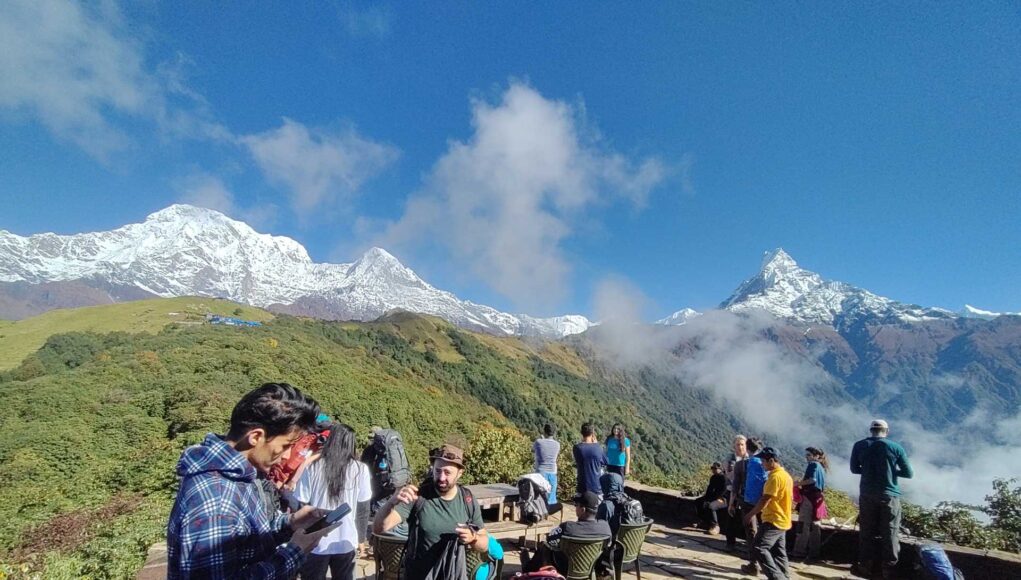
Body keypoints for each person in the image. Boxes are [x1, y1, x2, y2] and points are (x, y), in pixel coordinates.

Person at [166, 383, 334, 579]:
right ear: (256, 437)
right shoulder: (217, 500)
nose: (287, 455)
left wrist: (290, 523)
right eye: (285, 445)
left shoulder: (238, 475)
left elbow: (247, 536)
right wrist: (294, 552)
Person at [373, 443, 490, 580]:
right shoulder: (418, 496)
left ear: (460, 473)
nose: (441, 478)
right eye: (438, 471)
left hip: (451, 574)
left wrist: (473, 538)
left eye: (447, 473)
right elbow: (379, 528)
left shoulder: (467, 500)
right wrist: (391, 502)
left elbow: (484, 544)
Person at [293, 423, 372, 580]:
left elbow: (301, 503)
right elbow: (363, 508)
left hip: (315, 539)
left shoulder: (313, 467)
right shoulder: (360, 469)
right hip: (346, 539)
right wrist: (361, 539)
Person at [850, 419, 913, 580]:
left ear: (871, 430)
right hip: (889, 494)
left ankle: (865, 566)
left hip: (867, 493)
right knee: (890, 532)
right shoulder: (895, 447)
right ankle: (889, 570)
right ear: (887, 431)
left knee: (867, 531)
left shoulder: (859, 445)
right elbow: (909, 473)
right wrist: (891, 471)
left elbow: (854, 469)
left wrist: (869, 470)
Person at [521, 491, 612, 574]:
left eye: (576, 505)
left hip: (564, 568)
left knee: (544, 547)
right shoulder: (605, 527)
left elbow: (549, 540)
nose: (575, 507)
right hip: (592, 568)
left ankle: (528, 568)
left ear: (583, 510)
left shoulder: (567, 528)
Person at [741, 447, 793, 580]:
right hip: (783, 520)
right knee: (779, 553)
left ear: (771, 460)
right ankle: (785, 576)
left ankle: (778, 578)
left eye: (763, 461)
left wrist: (750, 514)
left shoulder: (775, 478)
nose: (762, 464)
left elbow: (765, 499)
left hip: (773, 520)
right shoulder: (786, 476)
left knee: (759, 548)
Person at [792, 447, 829, 560]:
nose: (807, 457)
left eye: (809, 455)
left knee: (803, 525)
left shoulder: (813, 465)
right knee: (815, 526)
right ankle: (814, 552)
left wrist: (797, 483)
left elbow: (812, 480)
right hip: (818, 499)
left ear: (816, 456)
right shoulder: (822, 468)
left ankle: (799, 551)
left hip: (808, 497)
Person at [740, 437, 767, 574]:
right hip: (765, 502)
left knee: (751, 533)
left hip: (751, 502)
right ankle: (765, 564)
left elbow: (751, 484)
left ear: (748, 448)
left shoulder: (752, 462)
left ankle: (753, 563)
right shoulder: (764, 462)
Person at [726, 435, 749, 551]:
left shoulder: (750, 459)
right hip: (733, 492)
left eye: (742, 444)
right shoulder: (731, 459)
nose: (740, 447)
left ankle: (748, 542)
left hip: (747, 493)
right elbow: (730, 475)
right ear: (734, 446)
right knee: (731, 517)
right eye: (737, 444)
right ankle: (730, 542)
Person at [573, 423, 607, 496]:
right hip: (596, 487)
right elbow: (605, 461)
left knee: (580, 506)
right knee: (597, 507)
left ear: (582, 433)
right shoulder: (598, 448)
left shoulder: (577, 448)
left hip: (582, 486)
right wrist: (596, 444)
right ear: (592, 433)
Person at [696, 463, 727, 535]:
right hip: (713, 496)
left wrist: (714, 498)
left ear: (720, 469)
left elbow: (723, 491)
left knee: (711, 506)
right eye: (712, 468)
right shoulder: (713, 477)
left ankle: (715, 525)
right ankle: (704, 521)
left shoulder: (724, 478)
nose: (713, 470)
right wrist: (706, 497)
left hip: (722, 498)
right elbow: (710, 489)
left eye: (715, 468)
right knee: (698, 502)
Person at [534, 423, 561, 504]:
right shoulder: (557, 444)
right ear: (554, 433)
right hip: (553, 472)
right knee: (551, 499)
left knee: (540, 499)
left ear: (544, 432)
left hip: (540, 473)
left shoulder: (538, 442)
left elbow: (535, 450)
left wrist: (542, 439)